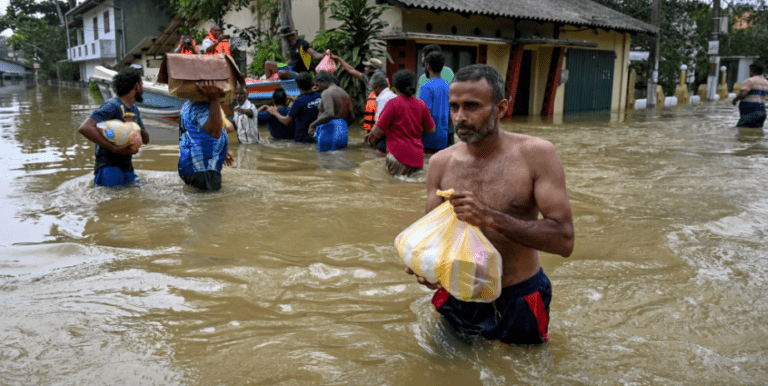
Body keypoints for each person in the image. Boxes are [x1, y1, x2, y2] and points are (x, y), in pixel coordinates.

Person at [407, 64, 574, 346]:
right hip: (457, 293)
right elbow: (435, 238)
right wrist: (426, 268)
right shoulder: (440, 163)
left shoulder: (537, 155)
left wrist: (489, 217)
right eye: (454, 106)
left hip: (518, 296)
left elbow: (564, 241)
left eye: (472, 106)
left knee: (522, 367)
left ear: (500, 109)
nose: (460, 117)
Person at [77, 66, 150, 187]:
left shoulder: (134, 110)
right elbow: (85, 128)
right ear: (137, 86)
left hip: (127, 168)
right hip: (109, 168)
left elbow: (146, 140)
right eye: (142, 84)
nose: (142, 88)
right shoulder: (112, 106)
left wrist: (134, 125)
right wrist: (113, 148)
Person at [365, 70, 435, 176]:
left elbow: (378, 131)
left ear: (395, 87)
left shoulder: (392, 104)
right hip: (417, 158)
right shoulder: (421, 105)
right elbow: (431, 129)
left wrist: (371, 135)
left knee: (392, 185)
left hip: (398, 157)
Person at [177, 80, 234, 192]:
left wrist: (220, 150)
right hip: (202, 168)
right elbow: (215, 131)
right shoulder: (202, 105)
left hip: (192, 167)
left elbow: (195, 135)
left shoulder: (188, 104)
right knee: (212, 202)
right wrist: (214, 98)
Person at [331, 55, 385, 131]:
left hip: (377, 109)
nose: (365, 68)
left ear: (373, 69)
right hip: (372, 109)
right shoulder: (366, 77)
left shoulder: (379, 80)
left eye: (367, 67)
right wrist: (338, 59)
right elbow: (351, 70)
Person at [418, 45, 455, 146]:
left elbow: (424, 113)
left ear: (428, 65)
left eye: (423, 57)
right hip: (444, 135)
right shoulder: (448, 83)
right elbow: (453, 108)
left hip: (428, 137)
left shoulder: (425, 85)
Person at [267, 72, 320, 143]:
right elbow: (308, 103)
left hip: (303, 140)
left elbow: (286, 121)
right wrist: (295, 100)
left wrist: (275, 113)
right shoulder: (319, 96)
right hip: (318, 136)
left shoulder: (299, 101)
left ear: (297, 86)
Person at [309, 72, 355, 151]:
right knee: (340, 157)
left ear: (323, 81)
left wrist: (312, 125)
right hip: (343, 130)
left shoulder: (326, 92)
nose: (317, 88)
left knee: (324, 157)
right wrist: (341, 127)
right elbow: (353, 117)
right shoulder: (345, 93)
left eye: (317, 85)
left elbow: (329, 113)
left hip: (328, 130)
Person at [732, 62, 767, 128]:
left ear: (752, 71)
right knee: (756, 132)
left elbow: (743, 94)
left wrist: (735, 100)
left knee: (740, 130)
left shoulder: (750, 81)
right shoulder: (766, 82)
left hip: (750, 111)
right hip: (762, 112)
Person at [370, 71, 396, 157]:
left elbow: (381, 123)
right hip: (396, 135)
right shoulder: (393, 95)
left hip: (387, 135)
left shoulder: (382, 98)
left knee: (379, 155)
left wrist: (374, 137)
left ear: (374, 86)